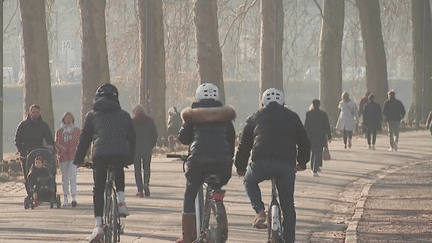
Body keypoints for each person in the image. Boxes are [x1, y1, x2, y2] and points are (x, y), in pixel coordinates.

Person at [234, 88, 311, 243]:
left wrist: (240, 167)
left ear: (263, 102)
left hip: (260, 163)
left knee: (249, 181)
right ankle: (289, 239)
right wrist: (301, 162)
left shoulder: (254, 117)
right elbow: (304, 142)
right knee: (287, 204)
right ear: (283, 102)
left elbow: (244, 145)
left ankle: (260, 211)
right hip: (285, 164)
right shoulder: (292, 116)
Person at [73, 83, 136, 242]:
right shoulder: (125, 115)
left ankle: (98, 225)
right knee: (119, 166)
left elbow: (85, 139)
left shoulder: (92, 115)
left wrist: (79, 159)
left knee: (99, 188)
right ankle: (121, 201)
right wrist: (131, 157)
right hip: (121, 154)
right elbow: (132, 139)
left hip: (100, 155)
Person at [176, 83, 236, 243]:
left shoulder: (192, 116)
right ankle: (219, 211)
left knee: (190, 193)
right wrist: (230, 158)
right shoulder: (225, 117)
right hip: (221, 162)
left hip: (198, 161)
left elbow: (183, 138)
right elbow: (231, 140)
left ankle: (187, 236)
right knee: (216, 188)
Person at [15, 104, 54, 179]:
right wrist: (21, 150)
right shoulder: (23, 125)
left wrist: (50, 146)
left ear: (39, 113)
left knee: (41, 172)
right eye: (34, 112)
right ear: (30, 113)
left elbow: (49, 138)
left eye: (37, 112)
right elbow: (18, 140)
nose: (35, 114)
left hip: (39, 151)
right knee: (27, 175)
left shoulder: (43, 125)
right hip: (26, 152)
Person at [131, 104, 158, 198]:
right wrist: (152, 145)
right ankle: (146, 183)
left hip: (136, 148)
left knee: (137, 169)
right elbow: (155, 134)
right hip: (147, 147)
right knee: (146, 167)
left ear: (136, 112)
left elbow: (129, 135)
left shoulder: (133, 121)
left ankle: (139, 189)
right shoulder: (150, 120)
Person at [55, 112, 81, 207]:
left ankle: (73, 196)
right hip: (63, 156)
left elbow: (80, 142)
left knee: (73, 176)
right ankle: (65, 197)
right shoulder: (59, 131)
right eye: (67, 118)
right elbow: (56, 142)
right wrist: (62, 147)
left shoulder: (77, 130)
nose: (68, 120)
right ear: (63, 119)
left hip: (74, 156)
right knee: (64, 177)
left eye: (70, 118)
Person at [304, 99, 331, 177]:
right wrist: (329, 136)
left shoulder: (308, 114)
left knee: (313, 152)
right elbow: (327, 126)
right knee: (318, 153)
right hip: (320, 136)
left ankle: (313, 168)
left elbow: (306, 126)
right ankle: (315, 169)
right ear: (319, 105)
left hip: (311, 136)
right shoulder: (323, 114)